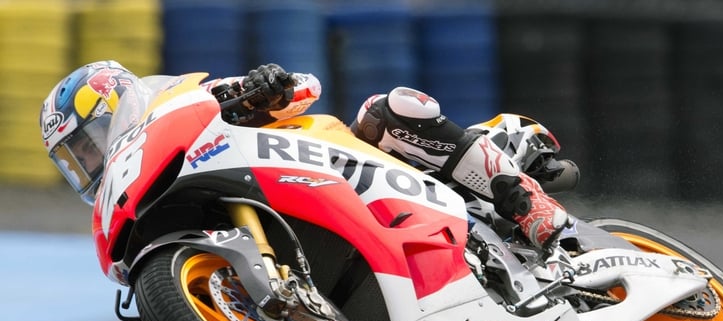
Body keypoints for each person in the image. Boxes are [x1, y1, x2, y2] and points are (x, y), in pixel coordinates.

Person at [40, 61, 572, 250]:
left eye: (90, 141)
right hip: (312, 210)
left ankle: (525, 202)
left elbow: (306, 87)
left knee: (387, 108)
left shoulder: (188, 104)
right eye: (76, 159)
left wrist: (266, 85)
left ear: (118, 105)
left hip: (344, 164)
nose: (89, 160)